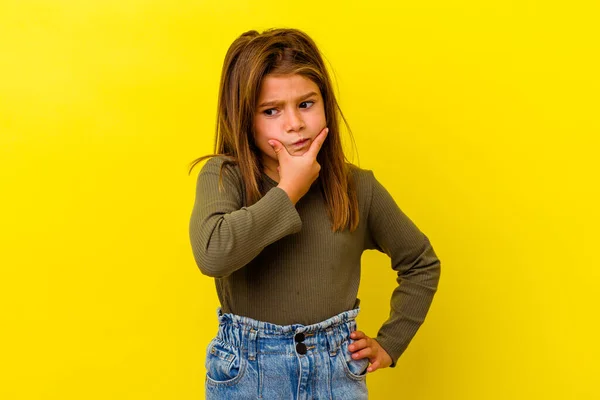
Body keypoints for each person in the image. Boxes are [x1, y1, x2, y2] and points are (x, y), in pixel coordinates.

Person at [188, 28, 441, 399]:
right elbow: (212, 254)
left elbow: (421, 261)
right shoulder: (226, 176)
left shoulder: (357, 187)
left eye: (306, 104)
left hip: (334, 371)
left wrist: (390, 342)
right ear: (245, 118)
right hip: (248, 373)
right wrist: (289, 191)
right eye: (271, 111)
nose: (294, 123)